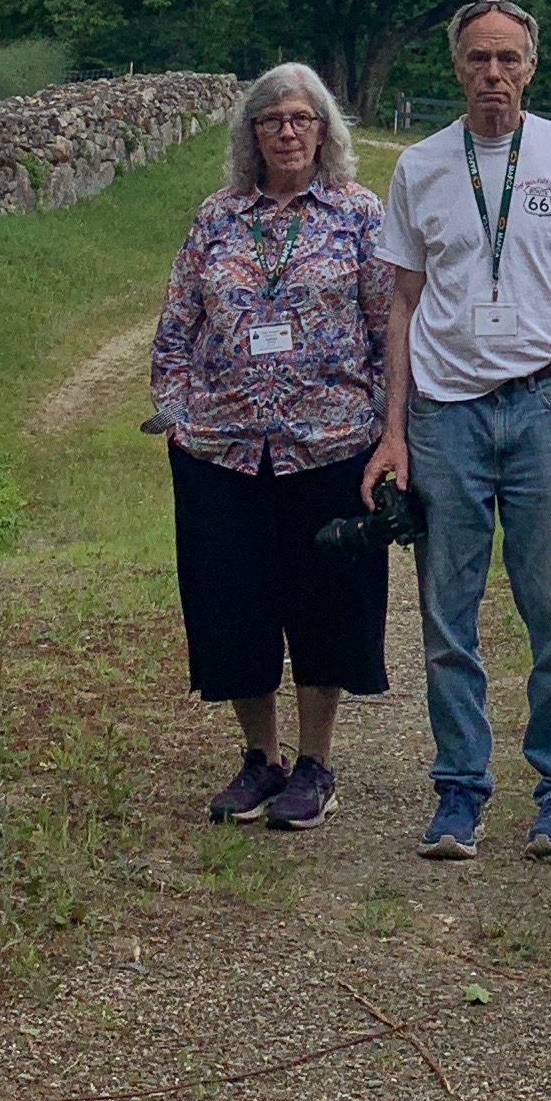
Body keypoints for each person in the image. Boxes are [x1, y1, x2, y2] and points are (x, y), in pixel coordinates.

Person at [362, 0, 551, 862]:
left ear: (531, 67)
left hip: (541, 406)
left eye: (508, 59)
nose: (493, 74)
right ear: (456, 67)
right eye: (478, 58)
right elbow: (402, 302)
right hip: (446, 416)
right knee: (448, 617)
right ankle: (459, 790)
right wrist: (393, 431)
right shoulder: (421, 167)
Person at [147, 64, 395, 832]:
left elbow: (389, 327)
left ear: (324, 131)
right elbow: (175, 327)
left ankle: (316, 763)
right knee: (234, 606)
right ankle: (261, 758)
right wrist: (178, 414)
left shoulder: (358, 214)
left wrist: (388, 426)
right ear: (250, 134)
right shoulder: (217, 217)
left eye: (301, 118)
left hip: (330, 446)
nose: (287, 132)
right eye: (271, 120)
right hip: (221, 451)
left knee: (327, 604)